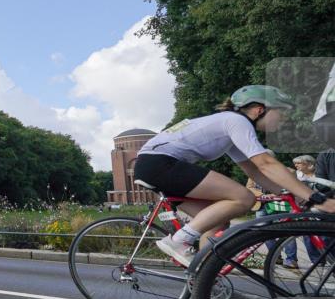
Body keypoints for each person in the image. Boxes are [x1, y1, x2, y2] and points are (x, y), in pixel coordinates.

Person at [133, 85, 335, 269]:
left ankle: (205, 279)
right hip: (160, 163)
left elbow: (254, 171)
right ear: (259, 109)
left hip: (153, 165)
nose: (284, 118)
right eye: (281, 112)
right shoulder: (236, 121)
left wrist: (290, 193)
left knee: (218, 222)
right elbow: (266, 163)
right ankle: (179, 241)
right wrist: (315, 198)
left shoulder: (227, 126)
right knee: (245, 197)